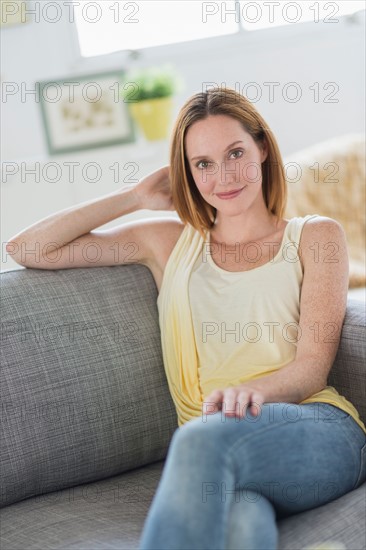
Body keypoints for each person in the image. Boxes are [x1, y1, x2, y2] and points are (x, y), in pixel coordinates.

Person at [8, 87, 366, 550]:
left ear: (261, 148)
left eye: (235, 152)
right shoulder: (169, 243)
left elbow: (311, 368)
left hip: (317, 431)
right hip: (222, 459)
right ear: (187, 173)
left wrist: (247, 395)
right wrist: (134, 197)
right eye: (203, 163)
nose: (224, 176)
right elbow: (26, 249)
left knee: (201, 438)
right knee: (242, 528)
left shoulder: (316, 236)